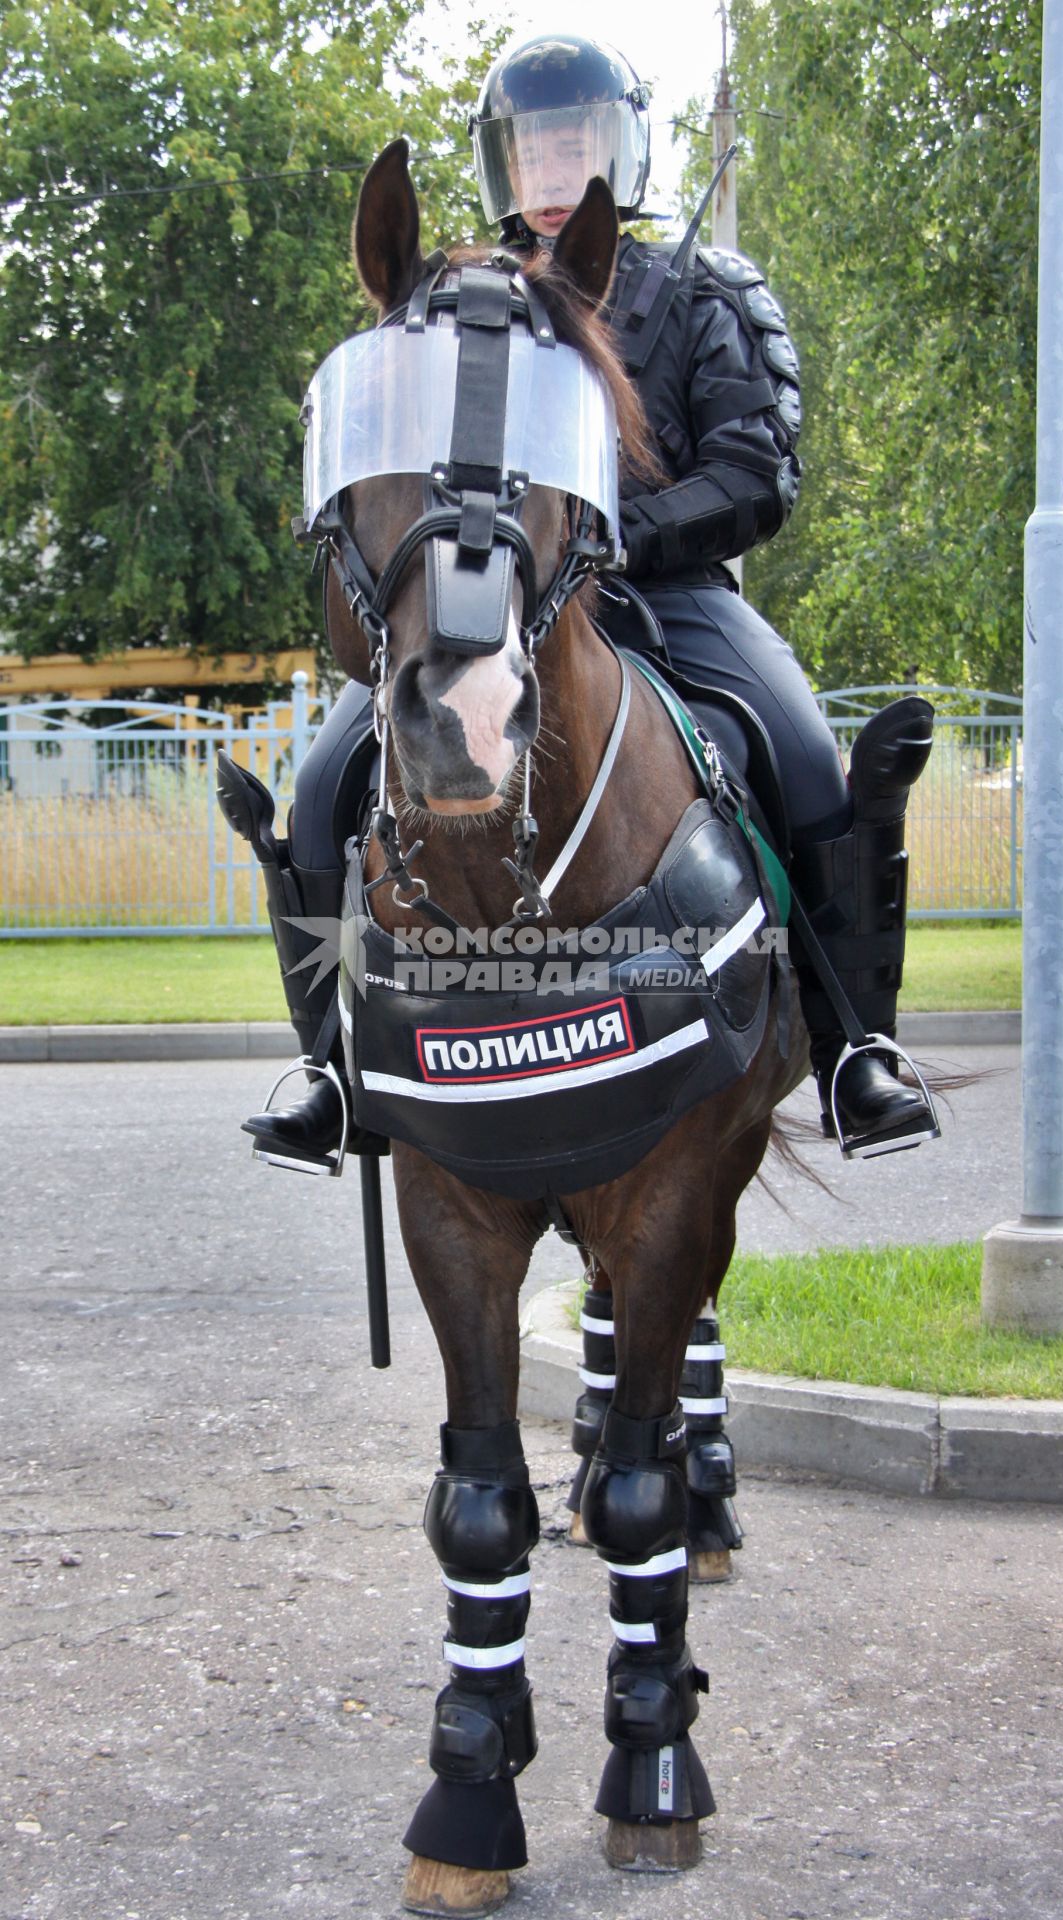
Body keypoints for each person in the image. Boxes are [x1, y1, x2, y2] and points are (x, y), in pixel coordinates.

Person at [238, 31, 936, 1168]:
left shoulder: (707, 291)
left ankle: (859, 1049)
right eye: (532, 145)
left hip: (667, 593)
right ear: (502, 164)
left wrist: (620, 539)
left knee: (806, 758)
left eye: (575, 140)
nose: (554, 166)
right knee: (322, 784)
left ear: (619, 149)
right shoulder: (459, 308)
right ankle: (326, 1060)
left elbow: (757, 468)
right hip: (499, 601)